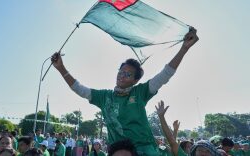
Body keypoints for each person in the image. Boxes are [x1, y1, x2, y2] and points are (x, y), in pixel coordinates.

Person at [52, 27, 199, 155]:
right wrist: (61, 68)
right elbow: (79, 89)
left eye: (128, 74)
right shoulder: (105, 96)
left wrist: (184, 48)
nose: (122, 76)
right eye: (121, 72)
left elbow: (165, 74)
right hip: (118, 151)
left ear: (135, 80)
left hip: (145, 151)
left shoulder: (140, 92)